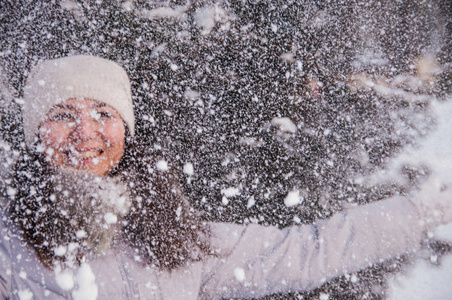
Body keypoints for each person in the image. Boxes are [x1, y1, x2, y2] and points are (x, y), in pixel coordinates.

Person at [0, 55, 451, 300]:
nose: (86, 131)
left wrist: (418, 212)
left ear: (126, 132)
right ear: (35, 135)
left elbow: (308, 250)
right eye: (62, 114)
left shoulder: (175, 239)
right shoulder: (7, 250)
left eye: (104, 112)